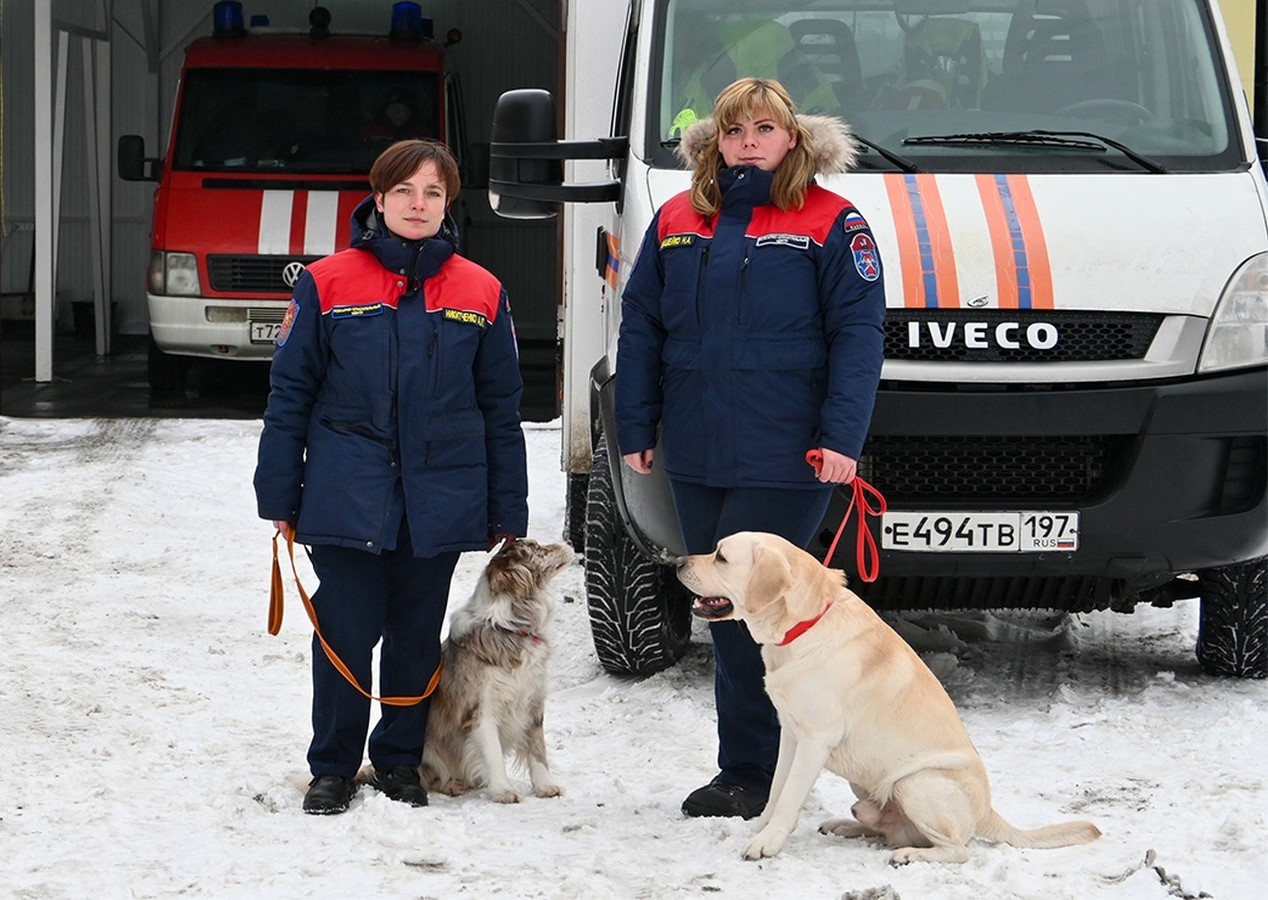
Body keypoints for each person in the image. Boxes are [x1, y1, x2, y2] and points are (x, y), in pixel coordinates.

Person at [615, 78, 886, 819]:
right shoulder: (677, 219)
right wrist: (634, 425)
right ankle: (750, 768)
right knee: (726, 610)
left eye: (765, 129)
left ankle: (763, 769)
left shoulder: (834, 222)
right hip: (697, 451)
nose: (749, 142)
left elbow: (857, 338)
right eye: (735, 131)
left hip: (787, 457)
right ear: (717, 140)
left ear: (792, 138)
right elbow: (641, 325)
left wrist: (840, 438)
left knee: (762, 616)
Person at [254, 139, 528, 815]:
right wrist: (279, 491)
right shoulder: (326, 282)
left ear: (447, 204)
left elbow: (501, 407)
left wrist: (507, 504)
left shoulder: (480, 290)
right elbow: (289, 395)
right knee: (344, 633)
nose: (418, 204)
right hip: (347, 496)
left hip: (441, 499)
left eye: (432, 193)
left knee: (415, 636)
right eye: (404, 191)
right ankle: (334, 766)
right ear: (378, 200)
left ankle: (400, 759)